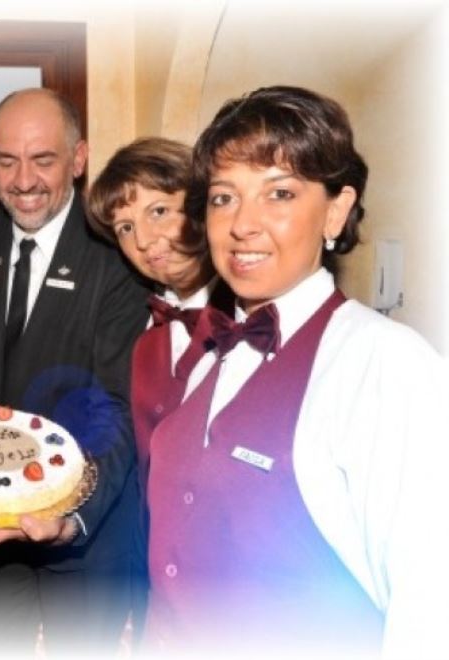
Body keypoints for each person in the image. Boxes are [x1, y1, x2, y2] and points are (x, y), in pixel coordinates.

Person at [144, 85, 449, 656]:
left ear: (335, 210)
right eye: (223, 198)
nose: (243, 224)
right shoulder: (206, 353)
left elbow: (430, 607)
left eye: (279, 193)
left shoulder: (386, 364)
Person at [0, 87, 150, 654]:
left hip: (86, 535)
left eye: (43, 160)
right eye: (8, 161)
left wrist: (69, 515)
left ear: (79, 159)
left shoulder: (119, 247)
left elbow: (119, 406)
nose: (23, 180)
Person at [86, 137, 231, 493]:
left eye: (158, 211)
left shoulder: (257, 315)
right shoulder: (138, 318)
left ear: (201, 205)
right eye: (125, 228)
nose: (143, 241)